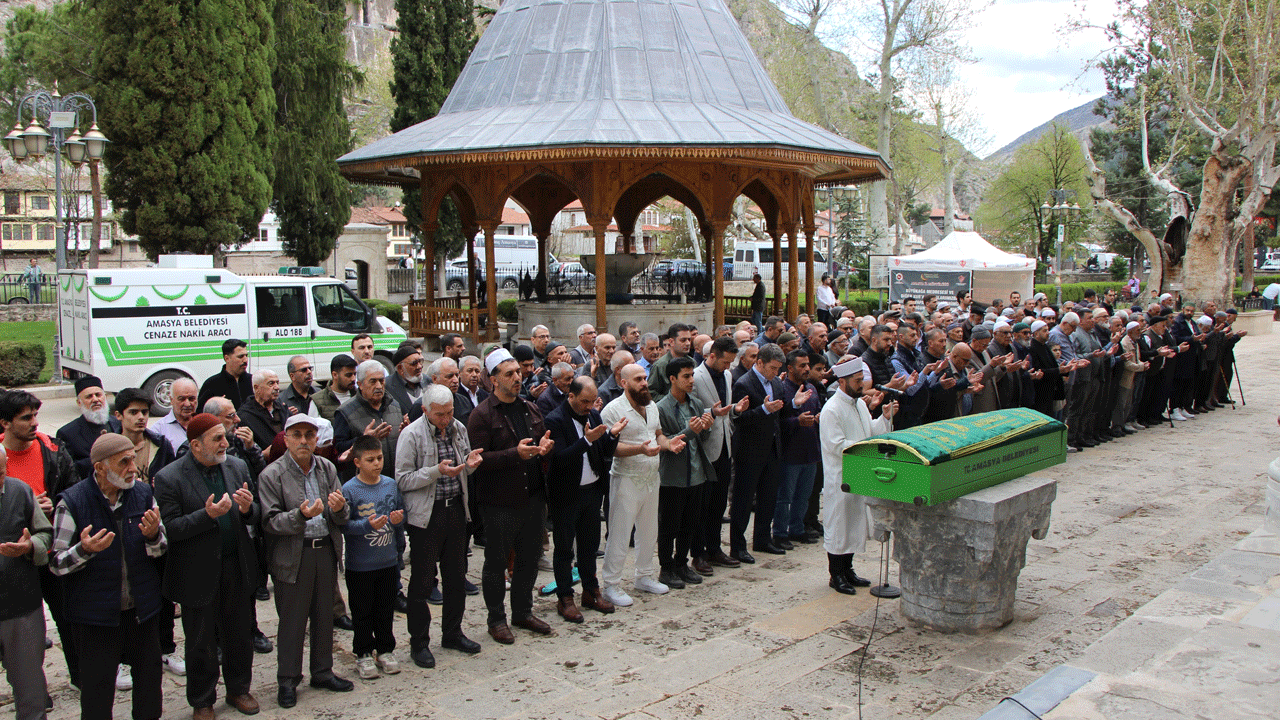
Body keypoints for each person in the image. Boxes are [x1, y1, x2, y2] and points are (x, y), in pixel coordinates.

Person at [51, 433, 167, 720]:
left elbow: (161, 547)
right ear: (100, 468)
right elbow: (56, 563)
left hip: (141, 610)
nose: (132, 467)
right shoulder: (72, 502)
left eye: (132, 459)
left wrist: (153, 535)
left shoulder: (142, 493)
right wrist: (84, 550)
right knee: (97, 691)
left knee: (149, 684)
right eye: (123, 462)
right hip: (95, 617)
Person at [154, 413, 262, 719]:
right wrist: (207, 515)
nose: (225, 443)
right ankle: (202, 701)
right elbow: (171, 528)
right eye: (217, 439)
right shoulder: (169, 477)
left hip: (235, 566)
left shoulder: (237, 465)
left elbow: (256, 514)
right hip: (197, 572)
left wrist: (247, 508)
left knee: (239, 633)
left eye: (224, 436)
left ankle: (239, 689)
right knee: (200, 641)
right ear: (196, 445)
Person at [258, 414, 353, 708]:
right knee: (293, 620)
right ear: (286, 439)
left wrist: (338, 509)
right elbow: (269, 521)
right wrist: (300, 515)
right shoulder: (272, 475)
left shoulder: (326, 467)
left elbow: (342, 515)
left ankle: (322, 671)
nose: (303, 441)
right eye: (297, 435)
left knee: (325, 614)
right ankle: (287, 679)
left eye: (309, 435)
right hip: (293, 554)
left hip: (324, 548)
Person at [466, 350, 554, 644]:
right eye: (509, 374)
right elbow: (478, 461)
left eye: (518, 372)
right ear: (492, 381)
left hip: (533, 497)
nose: (518, 377)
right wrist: (513, 454)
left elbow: (540, 443)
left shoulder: (529, 408)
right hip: (499, 502)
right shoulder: (481, 416)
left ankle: (523, 612)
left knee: (529, 559)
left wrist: (544, 447)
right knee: (496, 562)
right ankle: (496, 619)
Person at [396, 385, 484, 667]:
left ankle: (453, 633)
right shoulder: (411, 434)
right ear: (425, 411)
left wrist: (471, 464)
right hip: (427, 515)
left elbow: (465, 467)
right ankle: (419, 642)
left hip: (456, 509)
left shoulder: (458, 427)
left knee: (456, 576)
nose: (446, 419)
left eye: (449, 413)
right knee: (422, 581)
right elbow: (403, 479)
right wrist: (436, 471)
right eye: (440, 415)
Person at [0, 391, 81, 689]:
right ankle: (31, 688)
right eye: (25, 418)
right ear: (4, 423)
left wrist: (53, 505)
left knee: (67, 617)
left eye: (36, 415)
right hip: (14, 558)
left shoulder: (53, 450)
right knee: (24, 630)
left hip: (53, 550)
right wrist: (28, 508)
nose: (35, 423)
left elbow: (73, 493)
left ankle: (79, 677)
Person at [599, 365, 686, 606]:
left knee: (649, 531)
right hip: (626, 479)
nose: (644, 383)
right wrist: (640, 449)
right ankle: (611, 585)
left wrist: (669, 445)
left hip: (651, 477)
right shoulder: (612, 410)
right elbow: (610, 448)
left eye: (645, 378)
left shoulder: (651, 406)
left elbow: (657, 433)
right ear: (623, 382)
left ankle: (644, 575)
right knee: (620, 532)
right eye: (638, 379)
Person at [544, 377, 623, 622]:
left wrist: (611, 437)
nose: (588, 406)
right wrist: (587, 440)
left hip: (592, 491)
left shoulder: (594, 415)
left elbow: (602, 452)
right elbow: (560, 459)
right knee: (565, 548)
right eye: (584, 401)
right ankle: (565, 597)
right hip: (566, 494)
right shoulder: (555, 420)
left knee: (589, 546)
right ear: (571, 396)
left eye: (591, 401)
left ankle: (590, 591)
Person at [819, 358, 895, 594]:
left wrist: (885, 417)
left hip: (859, 473)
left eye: (862, 380)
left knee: (854, 524)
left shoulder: (859, 404)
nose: (862, 385)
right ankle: (836, 575)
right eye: (857, 381)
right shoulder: (831, 409)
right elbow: (836, 444)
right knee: (840, 525)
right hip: (840, 476)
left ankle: (848, 570)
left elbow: (870, 431)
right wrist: (867, 445)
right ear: (842, 382)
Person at [342, 434, 407, 679]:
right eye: (370, 460)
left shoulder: (390, 484)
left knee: (385, 607)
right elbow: (344, 525)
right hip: (361, 564)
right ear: (357, 462)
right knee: (362, 610)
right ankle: (363, 652)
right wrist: (367, 526)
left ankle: (385, 649)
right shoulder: (349, 489)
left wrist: (399, 521)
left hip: (387, 559)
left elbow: (400, 513)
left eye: (379, 458)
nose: (377, 463)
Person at [0, 443, 53, 720]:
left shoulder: (20, 491)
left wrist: (30, 546)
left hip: (21, 606)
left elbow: (46, 534)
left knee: (30, 690)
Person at [690, 337, 748, 574]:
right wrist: (711, 412)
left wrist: (735, 409)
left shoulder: (726, 375)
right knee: (701, 505)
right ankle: (698, 553)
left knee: (718, 503)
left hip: (724, 445)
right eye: (725, 362)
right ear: (711, 356)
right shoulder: (696, 376)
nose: (728, 367)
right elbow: (690, 409)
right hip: (704, 446)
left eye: (731, 363)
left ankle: (714, 548)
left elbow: (726, 408)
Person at [655, 358, 713, 590]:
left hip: (696, 472)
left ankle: (682, 563)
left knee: (690, 522)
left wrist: (705, 428)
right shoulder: (661, 408)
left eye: (692, 376)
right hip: (673, 475)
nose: (691, 381)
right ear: (672, 379)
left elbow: (703, 440)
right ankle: (666, 567)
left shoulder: (696, 403)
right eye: (686, 376)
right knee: (669, 525)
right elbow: (665, 442)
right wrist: (690, 431)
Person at [730, 344, 788, 563]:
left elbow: (780, 413)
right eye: (772, 368)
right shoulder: (744, 384)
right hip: (749, 449)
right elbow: (739, 420)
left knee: (768, 496)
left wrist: (794, 405)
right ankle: (737, 546)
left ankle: (763, 539)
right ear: (759, 363)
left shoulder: (777, 382)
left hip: (772, 447)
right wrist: (763, 410)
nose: (775, 372)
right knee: (744, 500)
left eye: (777, 369)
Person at [774, 351, 820, 549]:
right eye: (802, 365)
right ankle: (780, 532)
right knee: (785, 497)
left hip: (810, 451)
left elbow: (818, 411)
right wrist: (796, 420)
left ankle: (797, 528)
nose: (807, 369)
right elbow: (777, 421)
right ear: (790, 368)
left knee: (804, 495)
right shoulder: (783, 389)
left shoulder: (812, 389)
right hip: (790, 452)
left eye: (808, 364)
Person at [333, 361, 405, 481]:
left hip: (394, 482)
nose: (378, 386)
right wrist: (363, 440)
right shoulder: (345, 412)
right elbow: (339, 450)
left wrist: (405, 432)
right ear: (360, 384)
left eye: (381, 381)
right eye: (373, 381)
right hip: (363, 486)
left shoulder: (395, 405)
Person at [56, 375, 122, 478]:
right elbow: (68, 470)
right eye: (89, 396)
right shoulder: (67, 433)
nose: (95, 400)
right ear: (79, 403)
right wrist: (100, 457)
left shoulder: (119, 423)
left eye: (98, 395)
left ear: (105, 397)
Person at [238, 369, 289, 452]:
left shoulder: (283, 409)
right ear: (256, 388)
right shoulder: (245, 416)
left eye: (277, 383)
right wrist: (263, 454)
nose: (277, 387)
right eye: (271, 383)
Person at [199, 339, 253, 411]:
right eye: (241, 356)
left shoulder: (253, 381)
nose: (245, 360)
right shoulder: (212, 384)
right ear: (227, 358)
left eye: (246, 355)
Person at [153, 377, 200, 455]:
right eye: (181, 399)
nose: (187, 404)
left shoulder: (205, 424)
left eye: (191, 399)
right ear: (171, 400)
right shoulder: (159, 430)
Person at [648, 323, 693, 399]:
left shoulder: (692, 362)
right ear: (671, 342)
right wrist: (673, 400)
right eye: (683, 340)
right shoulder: (660, 365)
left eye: (689, 339)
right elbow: (651, 393)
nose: (688, 343)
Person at [313, 354, 358, 422]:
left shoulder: (360, 396)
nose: (353, 378)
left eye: (354, 374)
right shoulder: (317, 401)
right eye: (348, 375)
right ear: (335, 375)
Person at [385, 345, 425, 418]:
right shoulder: (387, 386)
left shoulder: (427, 380)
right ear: (400, 368)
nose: (419, 366)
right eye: (414, 363)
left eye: (420, 361)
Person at [454, 355, 489, 426]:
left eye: (477, 371)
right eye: (470, 371)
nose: (474, 375)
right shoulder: (455, 395)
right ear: (460, 373)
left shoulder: (486, 396)